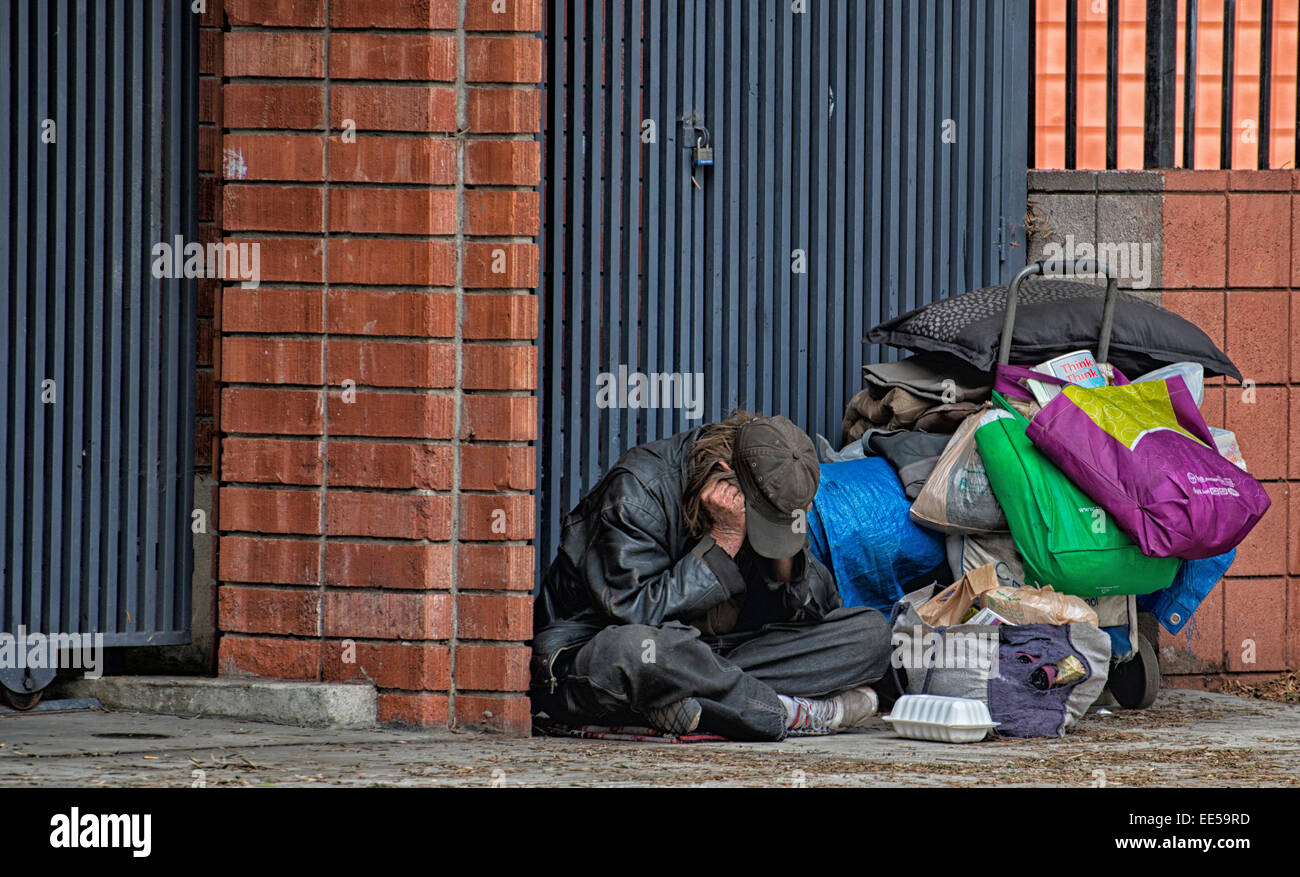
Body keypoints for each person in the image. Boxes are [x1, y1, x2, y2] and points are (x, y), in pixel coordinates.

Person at [530, 410, 894, 741]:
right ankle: (784, 711)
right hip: (602, 650)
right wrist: (723, 541)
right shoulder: (637, 491)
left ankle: (695, 702)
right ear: (723, 473)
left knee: (871, 634)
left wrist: (785, 558)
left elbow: (822, 611)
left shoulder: (773, 487)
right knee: (641, 652)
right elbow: (632, 615)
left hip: (709, 657)